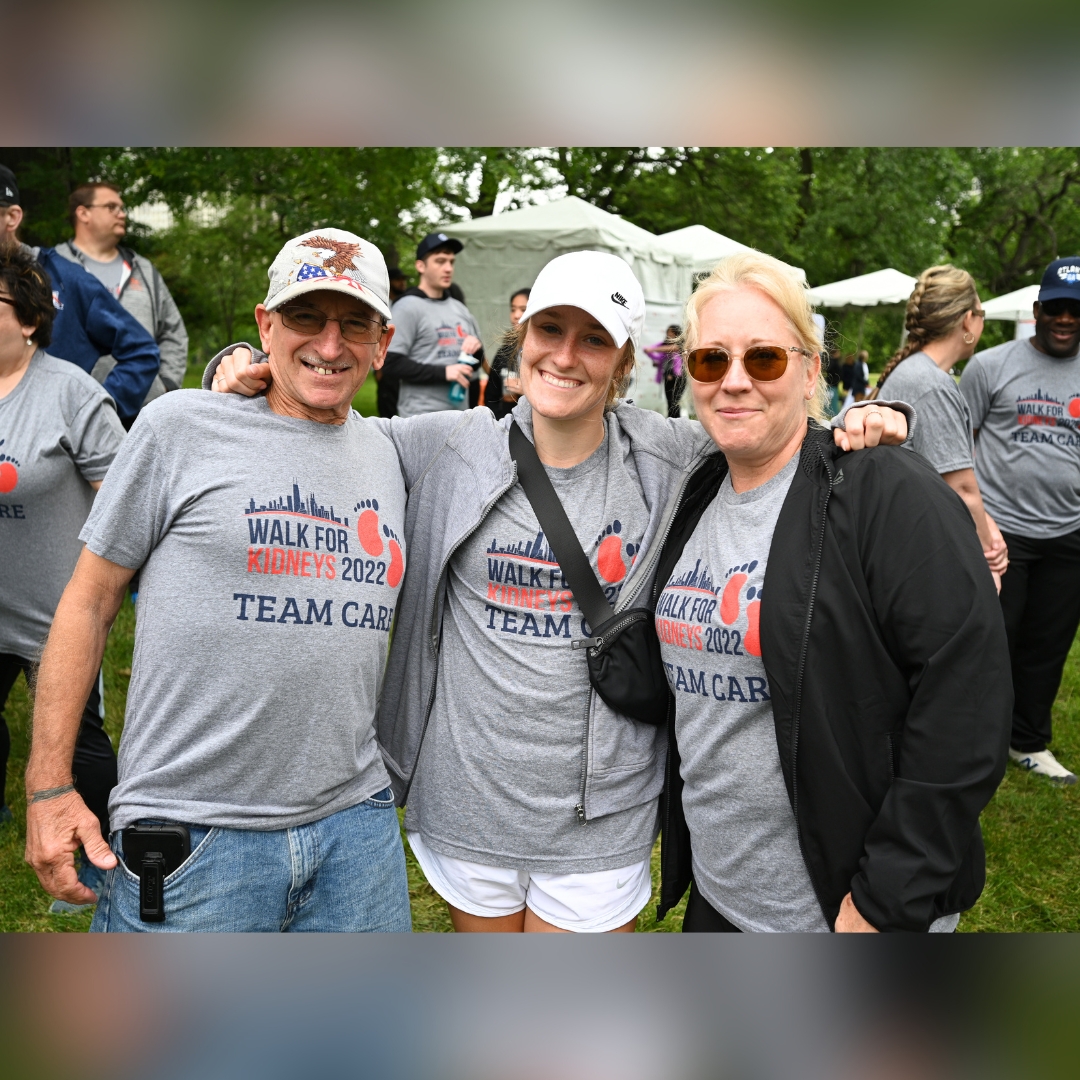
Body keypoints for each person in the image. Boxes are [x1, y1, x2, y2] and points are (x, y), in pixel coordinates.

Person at [208, 251, 910, 933]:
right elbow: (326, 423)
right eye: (549, 329)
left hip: (602, 815)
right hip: (467, 805)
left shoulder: (671, 456)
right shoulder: (449, 445)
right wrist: (237, 363)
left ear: (624, 361)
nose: (566, 356)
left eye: (594, 339)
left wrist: (868, 417)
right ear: (522, 338)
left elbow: (770, 431)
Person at [24, 229, 412, 931]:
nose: (330, 344)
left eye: (355, 324)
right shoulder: (178, 428)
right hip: (193, 834)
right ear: (266, 325)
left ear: (382, 343)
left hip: (356, 829)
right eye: (305, 317)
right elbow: (89, 601)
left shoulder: (394, 452)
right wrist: (49, 787)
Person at [653, 250, 1011, 933]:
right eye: (709, 360)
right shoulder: (695, 488)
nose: (734, 381)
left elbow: (967, 703)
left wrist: (884, 899)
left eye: (764, 358)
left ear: (812, 369)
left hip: (845, 909)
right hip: (723, 896)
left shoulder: (885, 490)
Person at [0, 244, 125, 915]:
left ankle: (104, 862)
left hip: (57, 614)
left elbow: (123, 505)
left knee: (80, 746)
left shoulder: (72, 393)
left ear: (27, 318)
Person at [959, 256, 1080, 785]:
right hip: (1000, 532)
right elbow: (956, 447)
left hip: (1069, 532)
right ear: (1037, 310)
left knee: (1048, 645)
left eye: (1075, 310)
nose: (1065, 318)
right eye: (1056, 308)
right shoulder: (990, 366)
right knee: (991, 641)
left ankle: (1027, 741)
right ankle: (970, 738)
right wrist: (976, 522)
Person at [870, 265, 1009, 589]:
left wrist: (988, 524)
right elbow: (961, 489)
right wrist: (988, 554)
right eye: (981, 313)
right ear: (967, 321)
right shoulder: (931, 385)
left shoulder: (915, 372)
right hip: (917, 562)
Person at [0, 165, 161, 429]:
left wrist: (92, 413)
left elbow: (141, 351)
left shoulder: (65, 279)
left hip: (53, 445)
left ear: (12, 217)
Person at [55, 182, 189, 407]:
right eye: (111, 207)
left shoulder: (143, 270)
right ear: (83, 213)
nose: (122, 214)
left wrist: (166, 384)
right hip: (73, 410)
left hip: (144, 410)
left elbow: (173, 331)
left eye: (122, 208)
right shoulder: (53, 267)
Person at [379, 232, 482, 418]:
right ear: (420, 266)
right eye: (440, 261)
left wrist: (476, 351)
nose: (448, 268)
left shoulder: (459, 308)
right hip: (421, 418)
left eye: (451, 262)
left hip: (460, 417)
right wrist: (444, 372)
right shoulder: (407, 306)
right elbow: (389, 362)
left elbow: (474, 365)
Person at [483, 287, 530, 420]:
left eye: (523, 309)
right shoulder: (504, 351)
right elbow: (491, 396)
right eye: (513, 309)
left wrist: (526, 391)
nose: (516, 315)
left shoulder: (544, 352)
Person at [644, 324, 684, 418]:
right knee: (669, 401)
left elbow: (673, 348)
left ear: (676, 333)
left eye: (671, 332)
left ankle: (676, 421)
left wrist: (652, 349)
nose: (669, 334)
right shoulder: (665, 344)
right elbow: (661, 357)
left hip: (678, 377)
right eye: (668, 332)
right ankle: (671, 420)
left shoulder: (680, 344)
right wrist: (657, 362)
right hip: (667, 376)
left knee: (675, 401)